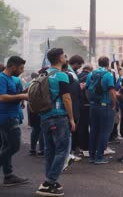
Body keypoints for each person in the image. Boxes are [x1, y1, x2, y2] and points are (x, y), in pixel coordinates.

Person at [35, 48, 75, 196]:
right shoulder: (61, 75)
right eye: (64, 55)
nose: (65, 57)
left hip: (45, 116)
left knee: (49, 150)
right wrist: (71, 118)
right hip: (59, 116)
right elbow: (66, 98)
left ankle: (49, 180)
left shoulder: (43, 73)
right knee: (62, 151)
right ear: (60, 58)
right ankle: (48, 182)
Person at [0, 56, 29, 187]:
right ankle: (8, 175)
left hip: (11, 116)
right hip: (7, 118)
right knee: (14, 146)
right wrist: (22, 96)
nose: (22, 71)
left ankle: (8, 176)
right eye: (21, 68)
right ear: (13, 66)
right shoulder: (2, 78)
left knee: (6, 147)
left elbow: (12, 95)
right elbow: (2, 97)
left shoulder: (11, 79)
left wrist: (25, 92)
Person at [86, 56, 117, 164]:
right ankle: (99, 157)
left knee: (93, 131)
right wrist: (114, 104)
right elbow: (112, 92)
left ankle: (91, 156)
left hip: (93, 106)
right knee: (105, 132)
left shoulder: (91, 74)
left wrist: (90, 100)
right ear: (108, 63)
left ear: (99, 63)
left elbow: (87, 89)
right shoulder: (108, 74)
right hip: (105, 106)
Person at [26, 72, 44, 156]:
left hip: (32, 108)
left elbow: (25, 94)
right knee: (41, 129)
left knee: (35, 129)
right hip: (41, 108)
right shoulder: (44, 83)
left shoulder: (31, 83)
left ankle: (32, 149)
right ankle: (41, 150)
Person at [77, 65, 92, 157]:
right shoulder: (88, 77)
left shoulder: (77, 75)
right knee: (90, 126)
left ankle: (82, 145)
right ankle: (88, 146)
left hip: (80, 105)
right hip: (88, 105)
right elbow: (88, 91)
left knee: (82, 126)